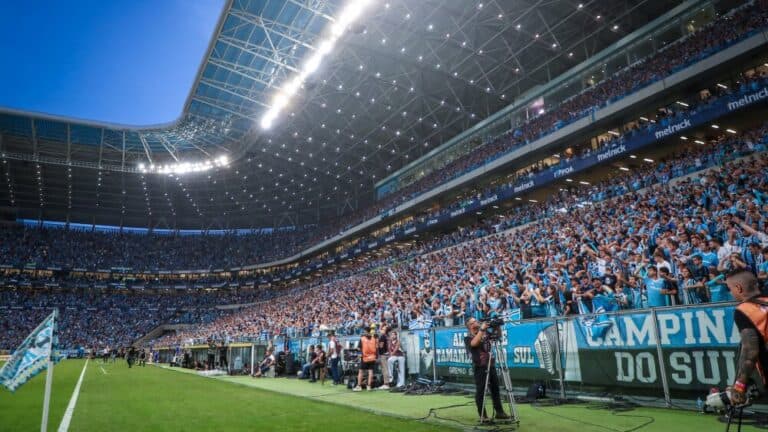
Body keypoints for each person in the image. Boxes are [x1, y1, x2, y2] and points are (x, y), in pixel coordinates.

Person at [726, 270, 768, 406]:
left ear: (738, 288)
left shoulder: (744, 310)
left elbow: (750, 352)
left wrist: (739, 386)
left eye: (730, 288)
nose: (730, 292)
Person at [464, 318, 509, 422]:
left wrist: (497, 327)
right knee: (481, 390)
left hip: (490, 364)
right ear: (470, 326)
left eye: (476, 321)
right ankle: (483, 415)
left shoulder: (485, 333)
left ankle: (499, 412)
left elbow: (498, 336)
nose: (477, 323)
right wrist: (482, 330)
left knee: (495, 388)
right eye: (474, 322)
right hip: (479, 366)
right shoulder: (468, 337)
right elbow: (474, 343)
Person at [353, 327, 377, 392]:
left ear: (366, 331)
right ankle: (369, 386)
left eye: (364, 331)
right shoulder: (374, 339)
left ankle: (359, 386)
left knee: (361, 372)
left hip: (365, 358)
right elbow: (376, 348)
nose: (363, 332)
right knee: (370, 372)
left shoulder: (362, 339)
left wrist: (358, 354)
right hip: (372, 357)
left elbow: (359, 348)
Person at [377, 324, 390, 389]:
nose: (381, 330)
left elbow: (381, 346)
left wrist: (376, 344)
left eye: (382, 329)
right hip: (387, 354)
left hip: (383, 354)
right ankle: (386, 383)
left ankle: (386, 384)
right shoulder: (387, 336)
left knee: (385, 369)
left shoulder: (382, 336)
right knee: (386, 369)